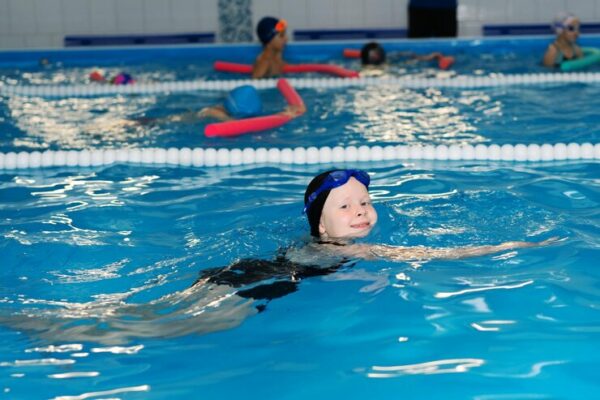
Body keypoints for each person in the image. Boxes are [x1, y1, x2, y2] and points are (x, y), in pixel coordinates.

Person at [297, 169, 560, 262]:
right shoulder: (351, 251)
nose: (360, 210)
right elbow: (430, 254)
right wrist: (506, 246)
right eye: (345, 207)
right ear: (321, 224)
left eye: (365, 201)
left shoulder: (321, 248)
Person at [137, 84, 305, 125]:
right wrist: (283, 116)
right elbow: (237, 125)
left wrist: (284, 112)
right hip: (166, 122)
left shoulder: (222, 108)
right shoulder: (213, 112)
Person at [359, 41, 452, 68]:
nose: (376, 56)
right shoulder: (367, 69)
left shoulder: (392, 57)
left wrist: (429, 57)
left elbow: (410, 55)